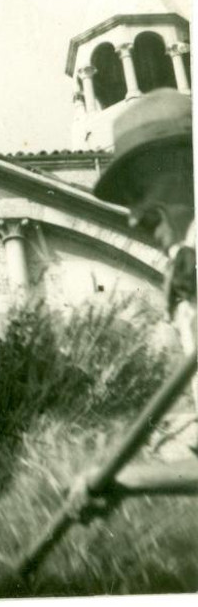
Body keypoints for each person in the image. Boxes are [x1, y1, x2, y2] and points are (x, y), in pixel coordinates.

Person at [79, 87, 198, 504]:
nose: (131, 217)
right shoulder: (189, 272)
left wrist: (132, 480)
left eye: (137, 192)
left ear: (188, 168)